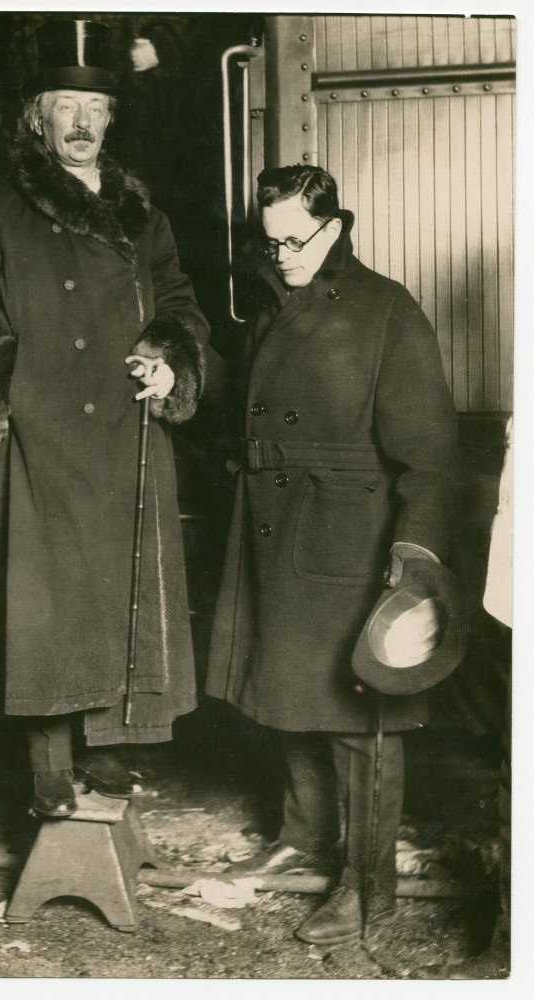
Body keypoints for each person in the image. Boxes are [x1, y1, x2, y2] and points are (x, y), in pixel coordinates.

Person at [0, 19, 213, 819]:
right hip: (38, 432)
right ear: (38, 118)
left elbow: (182, 303)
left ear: (112, 119)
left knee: (113, 588)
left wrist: (171, 357)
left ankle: (112, 747)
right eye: (66, 107)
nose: (83, 124)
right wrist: (2, 392)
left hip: (127, 428)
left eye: (96, 107)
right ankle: (47, 766)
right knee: (45, 602)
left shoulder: (140, 212)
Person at [206, 164, 460, 945]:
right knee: (287, 697)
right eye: (270, 239)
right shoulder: (276, 302)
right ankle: (305, 834)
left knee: (360, 719)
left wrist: (413, 560)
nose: (280, 253)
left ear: (336, 224)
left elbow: (432, 458)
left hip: (350, 542)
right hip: (278, 529)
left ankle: (366, 889)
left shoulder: (387, 310)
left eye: (296, 238)